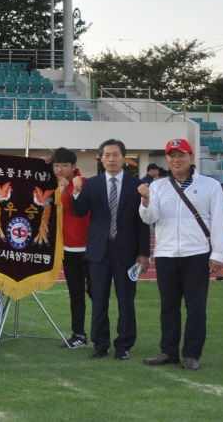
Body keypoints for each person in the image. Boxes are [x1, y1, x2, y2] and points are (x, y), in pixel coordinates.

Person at [139, 139, 223, 371]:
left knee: (196, 307)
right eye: (171, 156)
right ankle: (168, 351)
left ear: (191, 157)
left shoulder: (210, 185)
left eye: (181, 155)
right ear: (166, 159)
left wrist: (219, 253)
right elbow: (150, 218)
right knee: (168, 306)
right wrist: (146, 199)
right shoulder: (158, 186)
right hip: (167, 254)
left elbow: (219, 221)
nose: (176, 160)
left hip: (197, 253)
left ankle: (191, 354)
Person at [72, 139, 150, 361]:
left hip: (127, 251)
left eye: (115, 155)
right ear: (100, 158)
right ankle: (100, 344)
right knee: (98, 300)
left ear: (124, 158)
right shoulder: (91, 184)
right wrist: (76, 192)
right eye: (106, 155)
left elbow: (143, 222)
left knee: (126, 301)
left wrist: (143, 253)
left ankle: (124, 345)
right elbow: (79, 212)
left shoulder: (137, 186)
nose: (111, 159)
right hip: (98, 251)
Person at [50, 148, 90, 349]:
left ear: (73, 167)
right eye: (56, 165)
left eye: (64, 166)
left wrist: (66, 193)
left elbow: (77, 213)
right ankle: (79, 335)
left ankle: (102, 334)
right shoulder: (53, 183)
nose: (59, 169)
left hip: (88, 247)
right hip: (67, 248)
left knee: (96, 293)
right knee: (75, 293)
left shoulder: (84, 184)